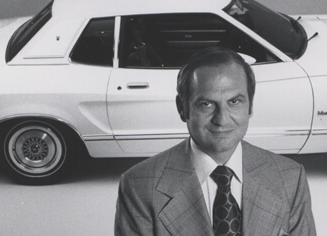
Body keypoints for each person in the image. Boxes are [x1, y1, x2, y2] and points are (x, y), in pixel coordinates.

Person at [115, 47, 316, 236]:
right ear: (182, 108)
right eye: (206, 104)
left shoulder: (290, 178)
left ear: (250, 106)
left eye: (234, 102)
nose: (222, 119)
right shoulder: (138, 187)